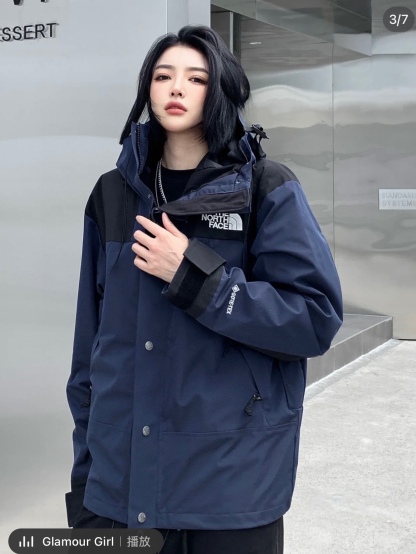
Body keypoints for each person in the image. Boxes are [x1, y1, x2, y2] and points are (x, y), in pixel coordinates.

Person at [65, 25, 343, 554]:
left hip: (229, 488)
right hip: (118, 488)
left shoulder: (264, 187)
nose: (176, 87)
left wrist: (196, 279)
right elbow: (90, 349)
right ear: (147, 89)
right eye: (163, 76)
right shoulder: (112, 194)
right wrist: (85, 483)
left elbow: (313, 319)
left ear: (220, 91)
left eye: (196, 78)